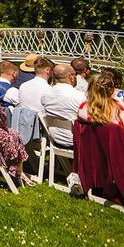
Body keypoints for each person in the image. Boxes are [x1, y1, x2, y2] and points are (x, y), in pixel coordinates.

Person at [41, 63, 85, 195]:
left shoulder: (45, 95)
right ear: (71, 78)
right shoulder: (79, 96)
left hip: (55, 138)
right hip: (76, 141)